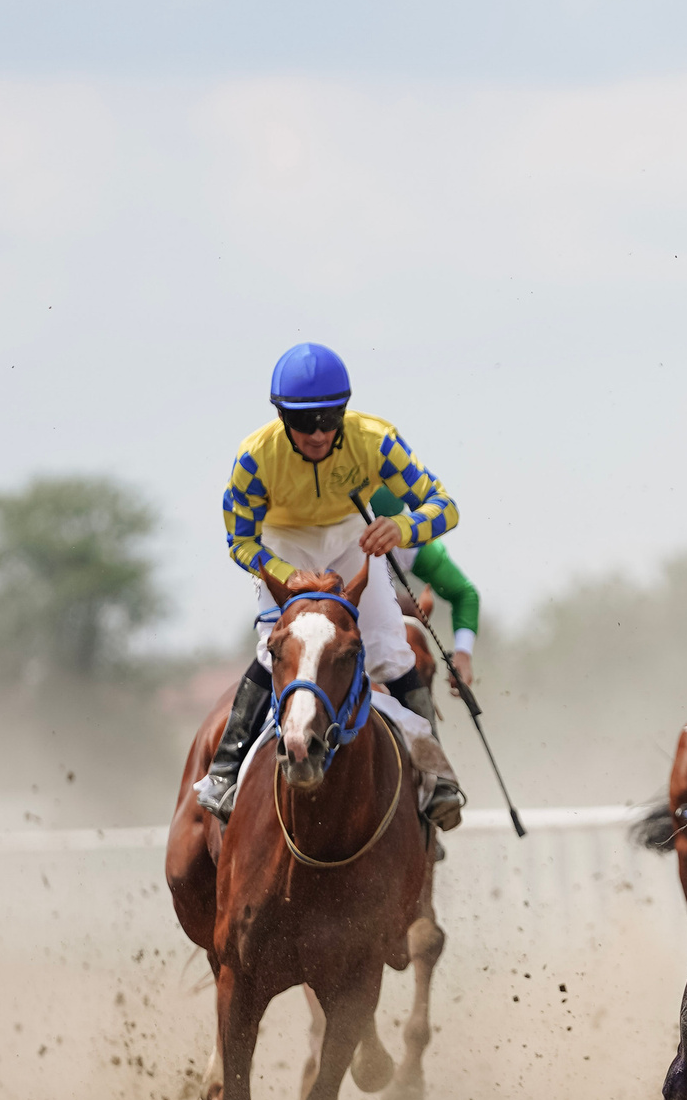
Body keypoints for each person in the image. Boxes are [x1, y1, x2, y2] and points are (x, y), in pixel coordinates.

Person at [193, 342, 467, 827]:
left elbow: (444, 505)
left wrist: (402, 529)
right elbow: (239, 541)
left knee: (391, 651)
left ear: (343, 411)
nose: (318, 433)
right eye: (304, 422)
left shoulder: (377, 440)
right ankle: (225, 768)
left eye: (329, 419)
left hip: (348, 537)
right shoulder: (255, 458)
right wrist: (282, 573)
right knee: (273, 648)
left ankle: (437, 775)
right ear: (281, 417)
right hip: (283, 545)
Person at [372, 484, 479, 694]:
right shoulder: (329, 542)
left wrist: (463, 654)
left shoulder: (408, 543)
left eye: (388, 530)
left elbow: (464, 594)